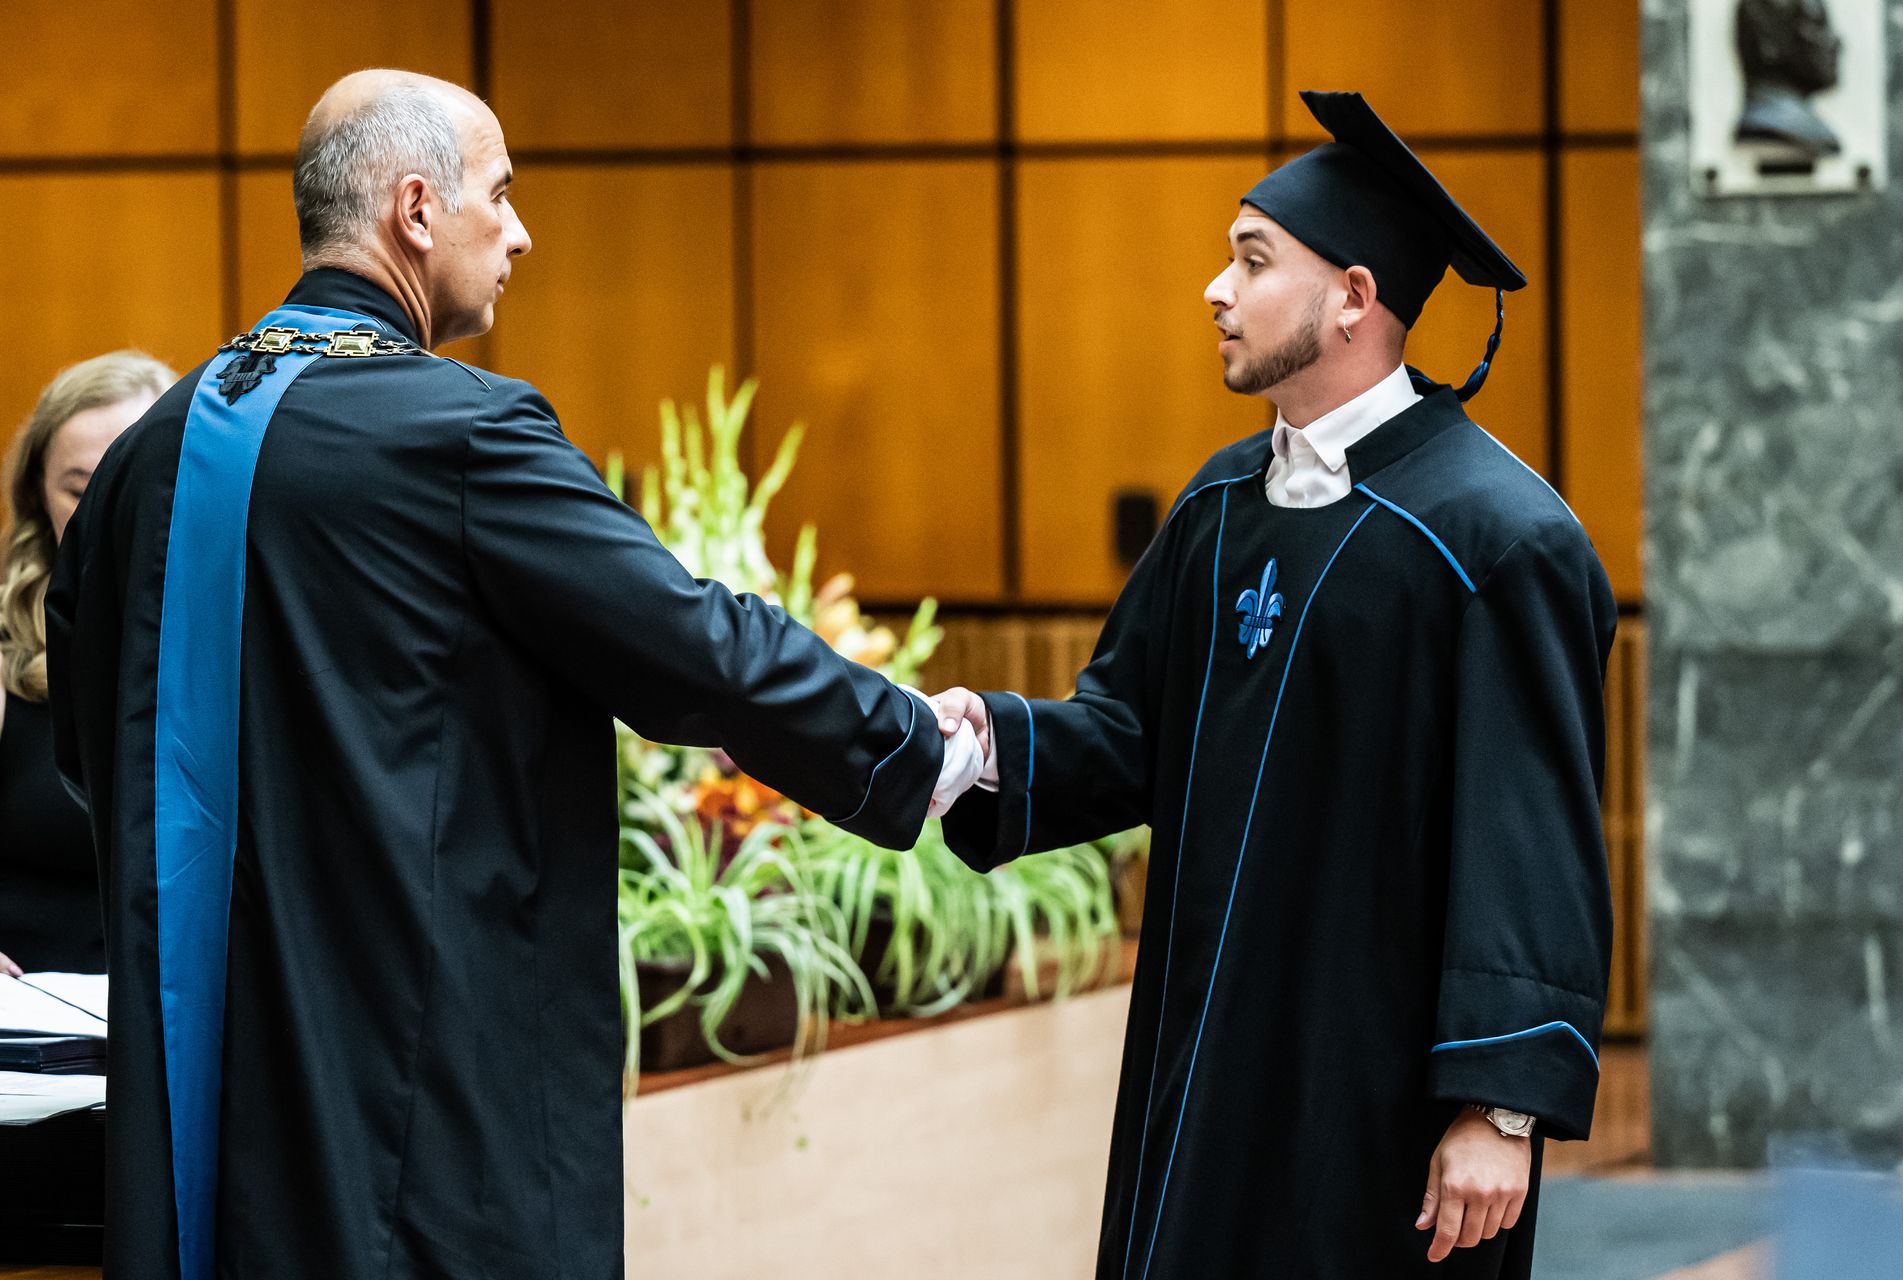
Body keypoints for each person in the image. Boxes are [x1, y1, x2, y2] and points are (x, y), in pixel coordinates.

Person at [46, 70, 975, 1280]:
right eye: (502, 192)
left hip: (200, 1061)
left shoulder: (150, 453)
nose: (522, 231)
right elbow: (689, 643)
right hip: (416, 1066)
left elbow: (89, 745)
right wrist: (909, 739)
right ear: (416, 210)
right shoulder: (460, 431)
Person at [932, 91, 1616, 1278]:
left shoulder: (1499, 539)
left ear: (1353, 298)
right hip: (1204, 1053)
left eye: (1252, 260)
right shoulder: (1217, 506)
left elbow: (1532, 837)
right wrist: (977, 737)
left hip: (1378, 1088)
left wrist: (1499, 1106)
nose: (1216, 288)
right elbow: (1128, 734)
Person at [0, 351, 174, 977]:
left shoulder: (244, 637)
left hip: (190, 1011)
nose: (103, 515)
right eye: (78, 490)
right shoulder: (4, 650)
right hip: (32, 1009)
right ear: (37, 497)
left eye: (130, 484)